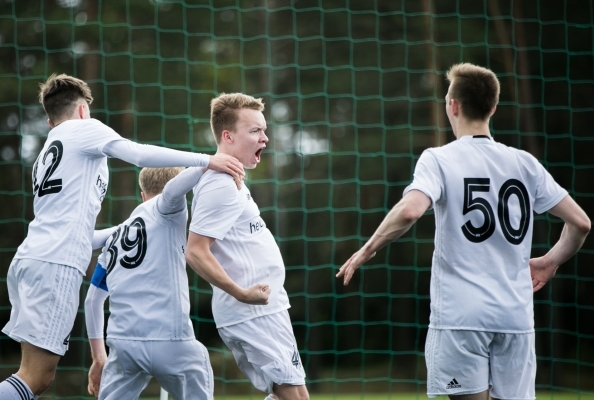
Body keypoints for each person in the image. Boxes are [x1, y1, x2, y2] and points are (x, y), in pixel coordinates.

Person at [337, 63, 590, 400]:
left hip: (462, 316)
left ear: (452, 105)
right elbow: (581, 223)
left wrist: (367, 250)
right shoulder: (524, 163)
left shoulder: (439, 159)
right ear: (493, 107)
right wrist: (549, 261)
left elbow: (411, 210)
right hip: (514, 316)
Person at [0, 74, 244, 400]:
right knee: (35, 378)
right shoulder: (84, 129)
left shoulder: (46, 154)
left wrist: (123, 230)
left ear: (50, 120)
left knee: (33, 375)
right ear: (82, 111)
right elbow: (137, 154)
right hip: (57, 263)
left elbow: (75, 230)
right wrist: (206, 160)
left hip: (30, 258)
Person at [185, 93, 310, 400]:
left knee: (294, 396)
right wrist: (241, 293)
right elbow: (195, 250)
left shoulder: (231, 176)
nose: (264, 138)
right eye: (255, 131)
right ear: (227, 136)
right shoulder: (220, 184)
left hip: (267, 308)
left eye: (264, 130)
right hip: (251, 311)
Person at [84, 166, 215, 400]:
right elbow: (173, 191)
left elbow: (93, 300)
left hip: (123, 346)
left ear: (142, 194)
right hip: (171, 341)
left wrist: (98, 357)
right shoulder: (170, 206)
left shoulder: (115, 238)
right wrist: (210, 162)